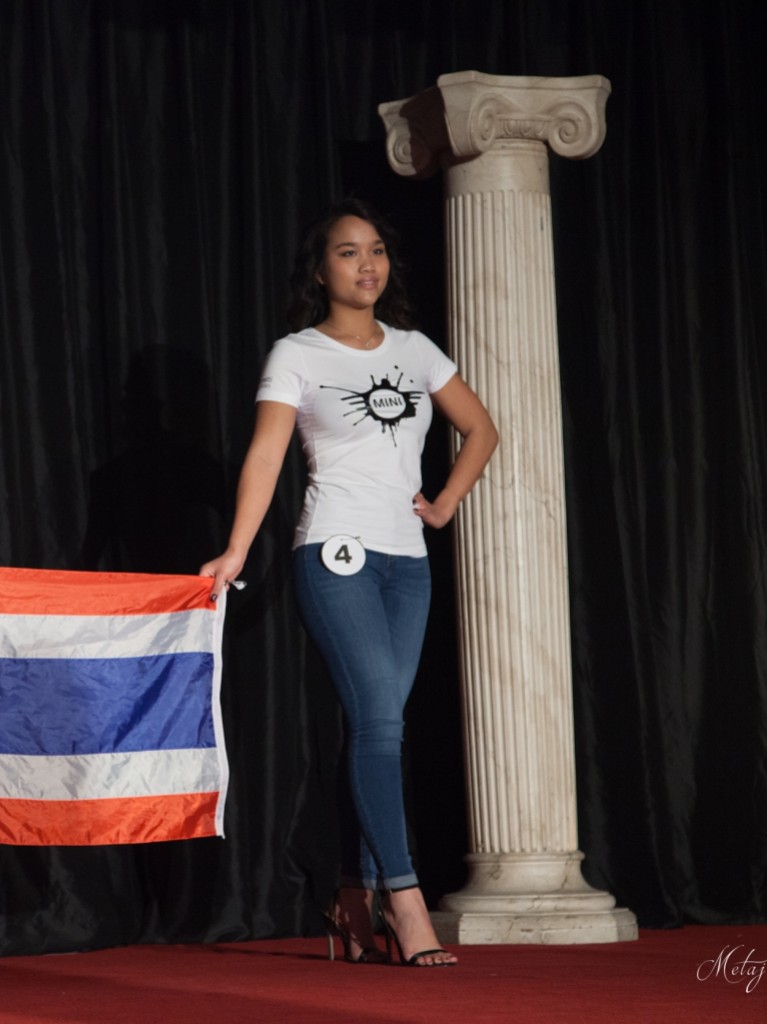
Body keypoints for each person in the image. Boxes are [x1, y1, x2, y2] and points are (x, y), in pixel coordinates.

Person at [200, 198, 497, 967]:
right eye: (346, 252)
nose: (366, 264)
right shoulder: (296, 353)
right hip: (335, 551)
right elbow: (266, 455)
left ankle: (350, 893)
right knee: (379, 724)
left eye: (376, 250)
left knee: (377, 724)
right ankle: (405, 899)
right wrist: (236, 550)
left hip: (406, 562)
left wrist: (444, 503)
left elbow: (481, 428)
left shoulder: (416, 349)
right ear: (319, 270)